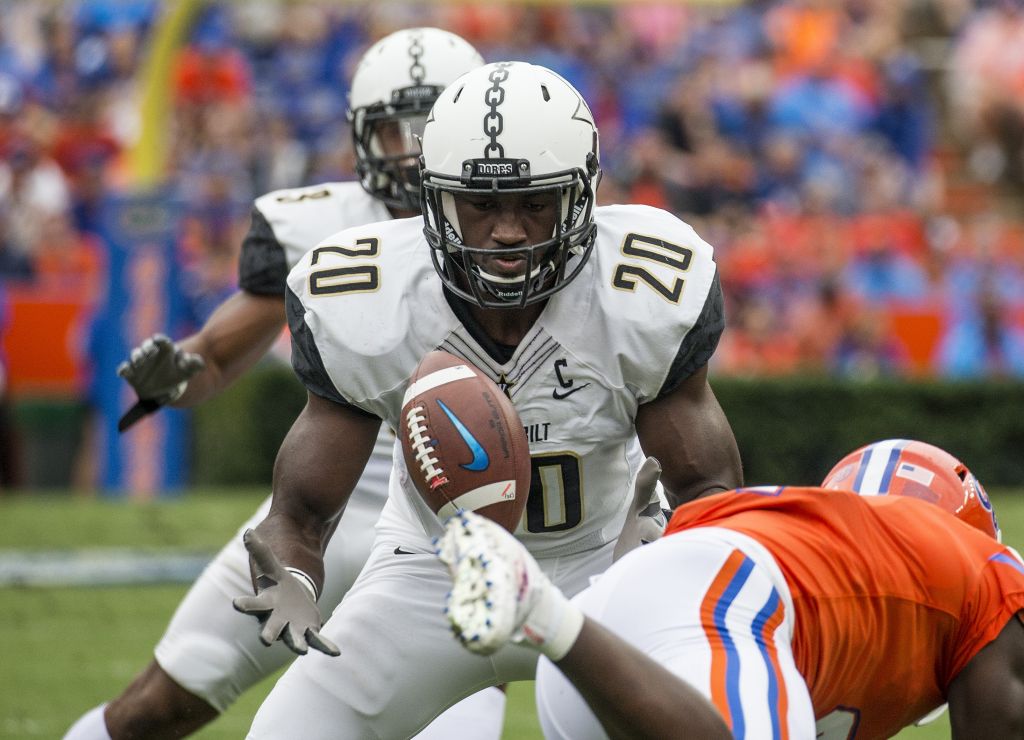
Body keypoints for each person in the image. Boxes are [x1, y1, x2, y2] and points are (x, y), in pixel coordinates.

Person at [232, 61, 742, 738]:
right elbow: (300, 512)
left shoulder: (639, 288)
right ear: (436, 201)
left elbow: (711, 491)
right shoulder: (371, 300)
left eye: (534, 204)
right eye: (481, 204)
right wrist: (295, 580)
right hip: (432, 569)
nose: (507, 231)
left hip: (607, 562)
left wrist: (669, 551)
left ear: (582, 196)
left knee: (720, 723)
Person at [63, 28, 499, 740]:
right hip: (326, 501)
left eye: (432, 124)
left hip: (447, 523)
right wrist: (181, 374)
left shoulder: (519, 225)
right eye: (398, 128)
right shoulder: (316, 225)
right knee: (161, 702)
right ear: (364, 135)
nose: (415, 150)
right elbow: (217, 358)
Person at [439, 439, 1024, 739]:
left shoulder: (811, 543)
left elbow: (655, 587)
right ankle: (543, 611)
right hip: (722, 609)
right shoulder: (991, 573)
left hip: (613, 658)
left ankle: (561, 625)